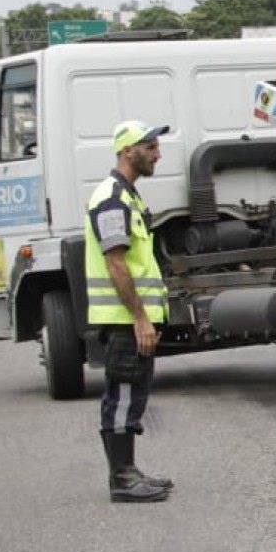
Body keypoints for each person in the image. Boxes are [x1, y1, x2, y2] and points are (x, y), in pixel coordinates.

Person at [85, 121, 173, 503]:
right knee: (121, 394)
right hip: (125, 321)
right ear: (127, 151)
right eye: (150, 147)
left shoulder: (129, 197)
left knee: (133, 393)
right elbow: (116, 265)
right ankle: (121, 478)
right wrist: (139, 317)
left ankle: (129, 471)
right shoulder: (111, 199)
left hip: (134, 319)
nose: (157, 153)